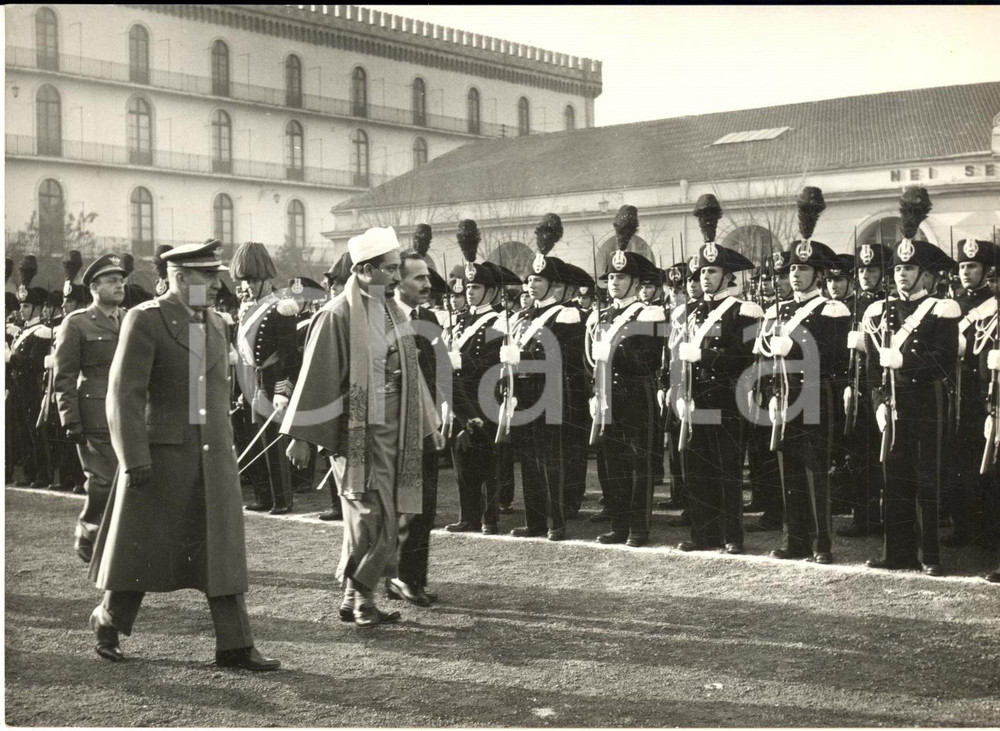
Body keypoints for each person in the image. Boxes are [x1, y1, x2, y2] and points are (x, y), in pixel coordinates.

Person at [87, 239, 279, 670]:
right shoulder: (145, 320)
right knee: (142, 547)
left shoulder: (215, 322)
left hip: (213, 457)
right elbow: (124, 395)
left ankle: (235, 644)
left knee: (221, 550)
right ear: (178, 278)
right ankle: (109, 618)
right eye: (207, 276)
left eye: (215, 276)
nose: (216, 285)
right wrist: (134, 456)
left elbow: (210, 394)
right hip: (161, 459)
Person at [282, 227, 441, 627]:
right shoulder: (336, 314)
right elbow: (316, 378)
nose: (394, 276)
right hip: (355, 435)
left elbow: (411, 373)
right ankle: (362, 599)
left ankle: (356, 596)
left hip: (396, 429)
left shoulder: (391, 310)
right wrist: (302, 436)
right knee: (372, 517)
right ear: (365, 270)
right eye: (388, 269)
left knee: (385, 518)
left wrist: (428, 423)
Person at [861, 187, 959, 576]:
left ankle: (930, 555)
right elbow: (872, 369)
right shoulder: (878, 311)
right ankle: (897, 553)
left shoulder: (940, 309)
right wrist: (879, 403)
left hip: (925, 402)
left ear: (926, 274)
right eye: (898, 269)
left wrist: (905, 360)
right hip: (893, 406)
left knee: (926, 479)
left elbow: (944, 361)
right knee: (894, 478)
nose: (902, 274)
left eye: (909, 268)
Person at [759, 187, 850, 564]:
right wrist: (769, 391)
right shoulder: (777, 311)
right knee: (790, 472)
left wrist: (792, 349)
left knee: (815, 472)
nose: (796, 275)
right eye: (793, 269)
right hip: (786, 397)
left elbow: (830, 357)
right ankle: (795, 540)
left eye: (804, 269)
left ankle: (820, 543)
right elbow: (764, 360)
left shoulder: (831, 310)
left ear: (819, 274)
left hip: (816, 396)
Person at [676, 195, 761, 554]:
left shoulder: (745, 311)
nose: (705, 278)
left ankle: (731, 536)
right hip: (697, 398)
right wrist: (679, 390)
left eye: (711, 272)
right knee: (698, 468)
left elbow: (747, 358)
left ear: (727, 275)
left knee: (726, 469)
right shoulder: (690, 312)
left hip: (727, 398)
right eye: (701, 273)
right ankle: (703, 534)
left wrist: (707, 356)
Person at [588, 205, 665, 547]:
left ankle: (638, 528)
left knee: (638, 462)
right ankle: (619, 525)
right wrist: (595, 391)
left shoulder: (651, 312)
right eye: (611, 278)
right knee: (614, 462)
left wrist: (614, 352)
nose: (614, 283)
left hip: (637, 394)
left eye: (620, 278)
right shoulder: (604, 314)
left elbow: (648, 359)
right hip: (608, 395)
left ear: (635, 282)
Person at [503, 214, 583, 541]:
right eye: (529, 280)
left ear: (553, 285)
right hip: (524, 393)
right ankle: (535, 520)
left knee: (550, 460)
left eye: (538, 280)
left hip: (549, 393)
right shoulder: (522, 317)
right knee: (529, 461)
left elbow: (562, 356)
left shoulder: (566, 314)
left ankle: (555, 521)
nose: (531, 285)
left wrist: (520, 357)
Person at [53, 254, 127, 559]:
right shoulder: (77, 323)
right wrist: (69, 418)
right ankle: (89, 527)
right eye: (111, 281)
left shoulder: (131, 319)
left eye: (121, 280)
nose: (119, 285)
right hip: (94, 414)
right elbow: (64, 375)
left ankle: (114, 540)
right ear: (94, 286)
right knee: (103, 480)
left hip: (129, 412)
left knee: (129, 479)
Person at [448, 222, 518, 535]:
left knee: (488, 461)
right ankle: (469, 516)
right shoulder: (462, 321)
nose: (470, 291)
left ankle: (489, 518)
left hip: (484, 395)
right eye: (469, 287)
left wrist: (461, 360)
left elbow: (490, 361)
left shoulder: (497, 320)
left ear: (490, 291)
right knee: (463, 459)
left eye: (475, 288)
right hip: (461, 397)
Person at [388, 248, 447, 607]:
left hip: (426, 426)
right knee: (398, 506)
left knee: (424, 506)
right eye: (419, 278)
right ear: (400, 282)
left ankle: (411, 578)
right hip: (395, 428)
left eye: (427, 277)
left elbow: (443, 375)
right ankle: (394, 577)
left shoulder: (429, 319)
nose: (427, 284)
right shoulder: (386, 318)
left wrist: (462, 411)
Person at [231, 242, 298, 515]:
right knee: (251, 438)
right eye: (244, 280)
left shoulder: (281, 308)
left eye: (251, 279)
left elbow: (289, 355)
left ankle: (282, 498)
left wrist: (282, 390)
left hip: (271, 382)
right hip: (250, 382)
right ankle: (264, 496)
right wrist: (239, 388)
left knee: (272, 441)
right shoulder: (246, 310)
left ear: (265, 280)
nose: (246, 286)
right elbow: (243, 355)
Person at [944, 238, 999, 548]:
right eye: (962, 266)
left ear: (985, 270)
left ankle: (989, 530)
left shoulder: (994, 303)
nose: (966, 272)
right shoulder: (953, 304)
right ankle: (963, 526)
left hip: (983, 393)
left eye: (973, 266)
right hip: (957, 392)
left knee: (987, 462)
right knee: (960, 462)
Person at [838, 243, 891, 538]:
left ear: (883, 273)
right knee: (860, 454)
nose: (865, 275)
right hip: (858, 388)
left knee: (887, 453)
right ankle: (864, 516)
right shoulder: (851, 305)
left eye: (872, 269)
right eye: (861, 269)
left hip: (883, 388)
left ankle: (889, 514)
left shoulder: (889, 303)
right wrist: (848, 383)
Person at [10, 283, 55, 488]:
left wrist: (12, 358)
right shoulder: (23, 331)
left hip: (32, 387)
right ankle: (29, 473)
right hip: (19, 386)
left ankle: (42, 474)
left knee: (34, 430)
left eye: (26, 306)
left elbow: (36, 363)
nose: (22, 310)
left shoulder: (41, 331)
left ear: (37, 308)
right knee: (22, 429)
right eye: (21, 306)